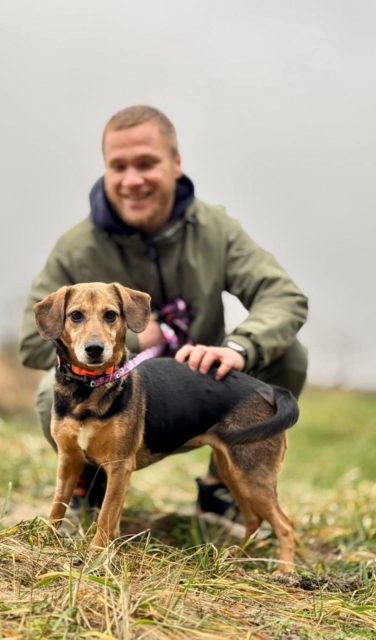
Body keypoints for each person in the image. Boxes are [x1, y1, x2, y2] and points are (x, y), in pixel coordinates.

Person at [19, 105, 308, 533]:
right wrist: (132, 338)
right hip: (113, 392)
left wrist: (238, 348)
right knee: (52, 393)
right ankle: (89, 483)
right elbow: (31, 341)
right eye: (119, 166)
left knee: (288, 355)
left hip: (203, 391)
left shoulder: (216, 230)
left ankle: (222, 486)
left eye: (146, 163)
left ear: (175, 163)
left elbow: (283, 296)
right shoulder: (76, 248)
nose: (132, 179)